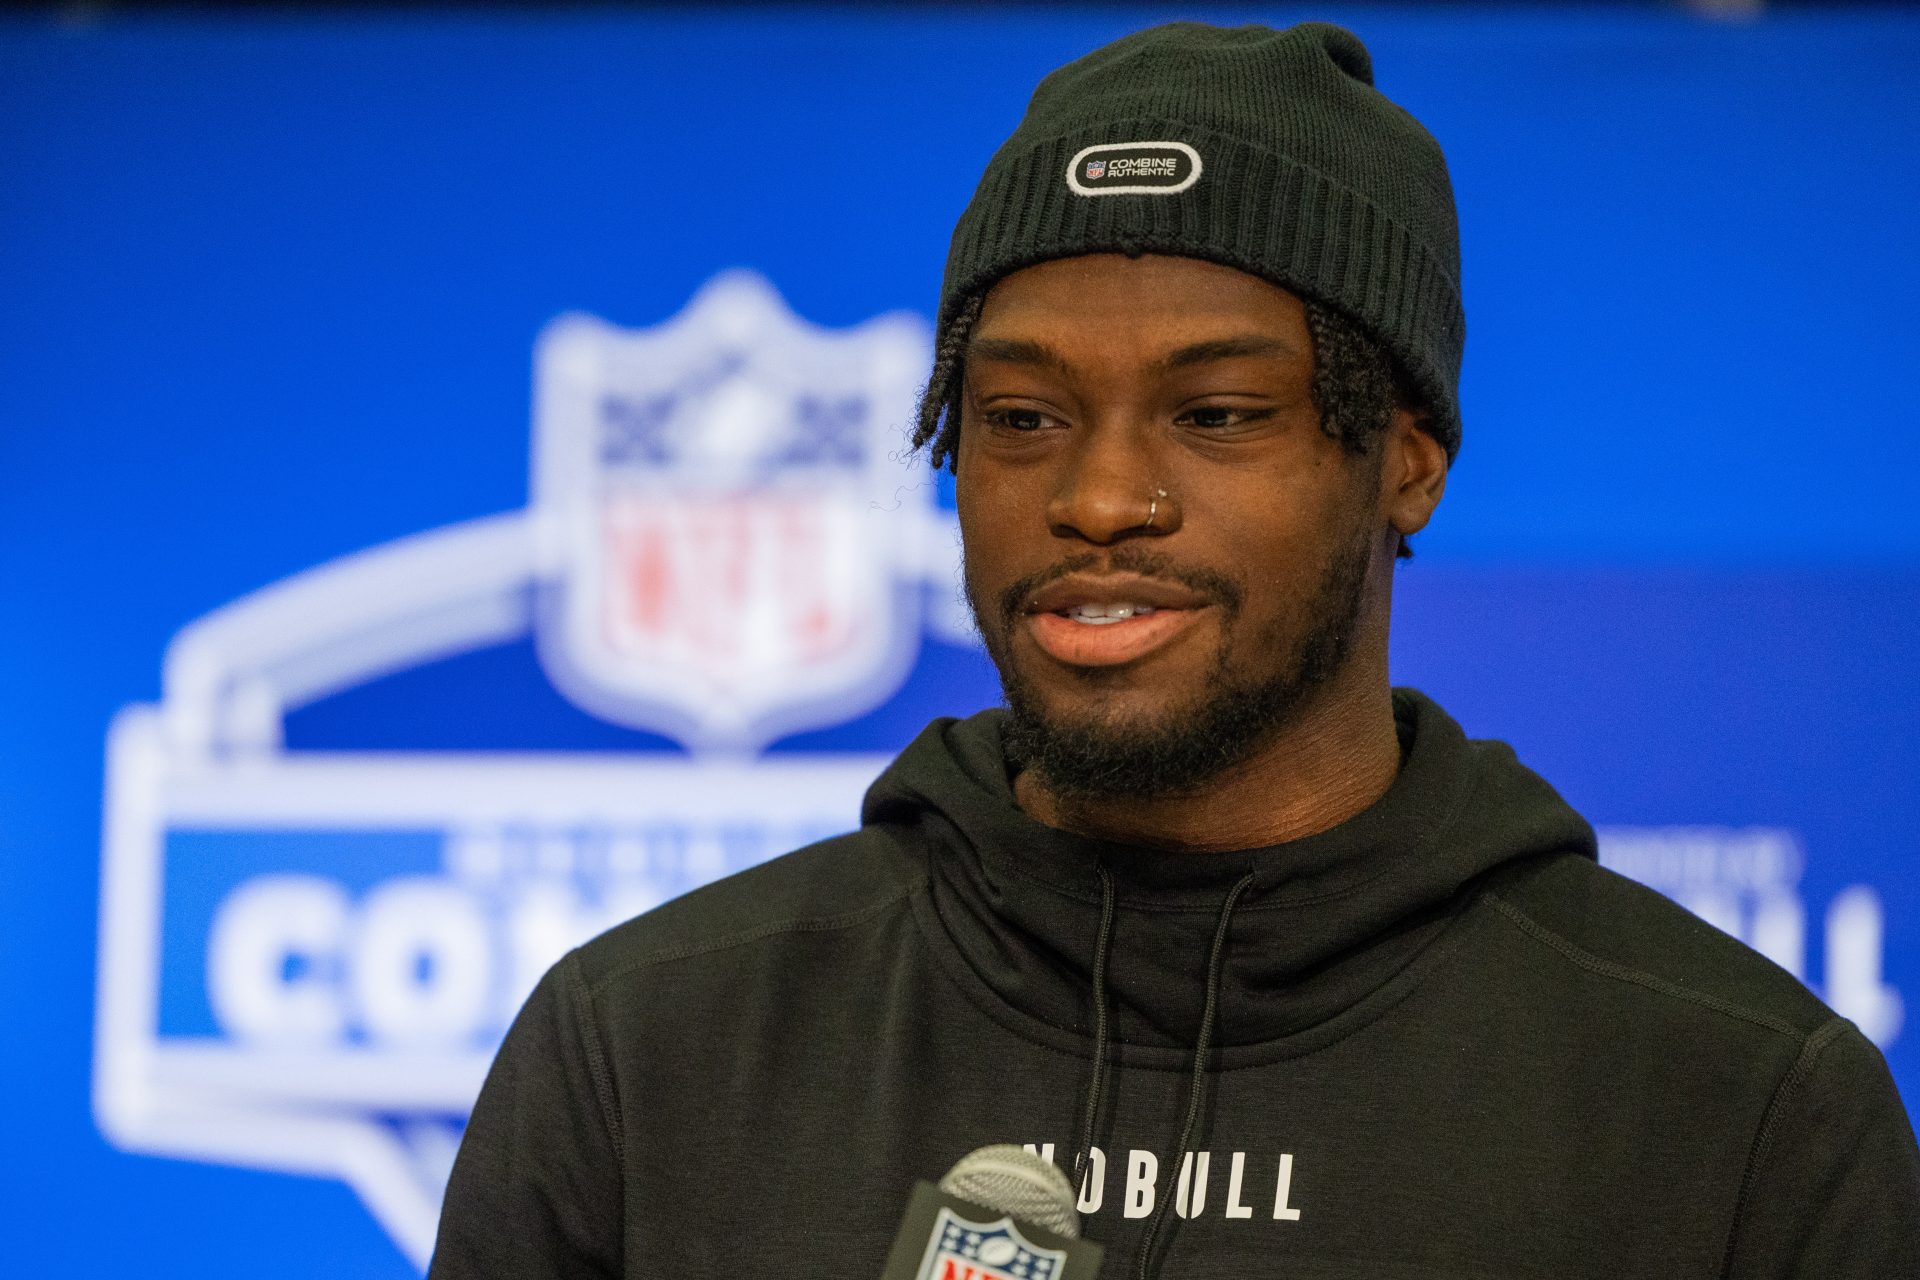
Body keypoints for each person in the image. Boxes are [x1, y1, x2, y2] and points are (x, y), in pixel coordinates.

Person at [428, 21, 1920, 1278]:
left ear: (1406, 460)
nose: (1096, 500)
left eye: (1216, 415)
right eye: (1020, 419)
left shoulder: (1731, 1105)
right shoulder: (647, 1051)